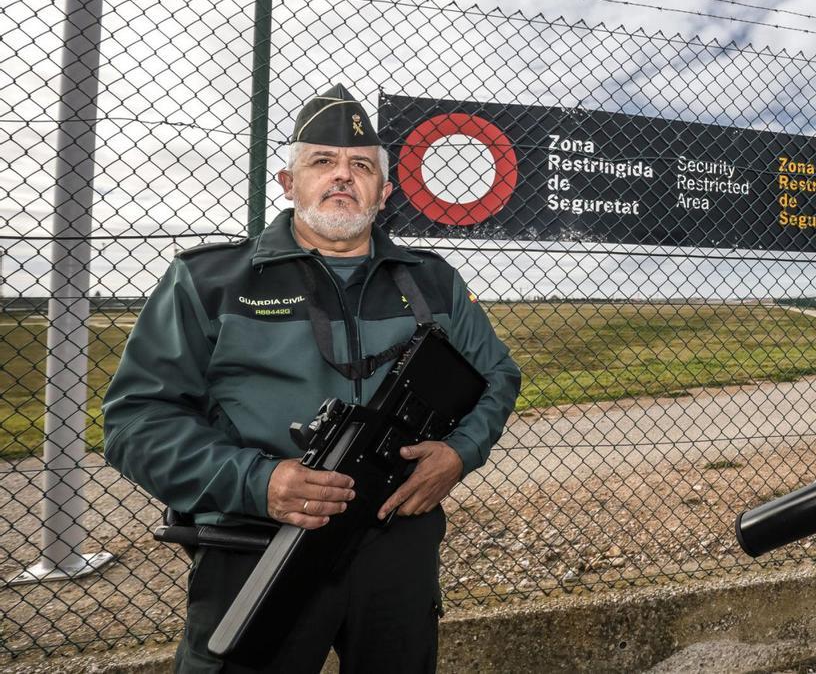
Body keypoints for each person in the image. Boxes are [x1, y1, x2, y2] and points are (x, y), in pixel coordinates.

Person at [103, 84, 521, 673]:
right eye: (322, 161)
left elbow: (498, 375)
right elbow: (134, 423)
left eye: (361, 166)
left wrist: (459, 452)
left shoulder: (433, 283)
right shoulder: (211, 281)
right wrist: (259, 481)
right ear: (288, 183)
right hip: (263, 545)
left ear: (384, 190)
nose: (342, 176)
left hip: (396, 541)